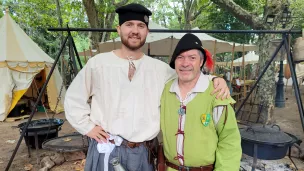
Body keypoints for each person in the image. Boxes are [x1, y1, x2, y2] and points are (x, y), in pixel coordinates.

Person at [64, 3, 230, 171]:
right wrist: (88, 127)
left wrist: (215, 79)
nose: (135, 30)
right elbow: (73, 99)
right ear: (118, 29)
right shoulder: (98, 64)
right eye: (129, 25)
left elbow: (189, 76)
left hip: (143, 153)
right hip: (106, 150)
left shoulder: (161, 69)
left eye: (141, 26)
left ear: (147, 32)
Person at [159, 33, 242, 171]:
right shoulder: (165, 90)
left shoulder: (217, 93)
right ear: (174, 62)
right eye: (180, 57)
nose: (185, 63)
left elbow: (229, 140)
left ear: (201, 62)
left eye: (192, 58)